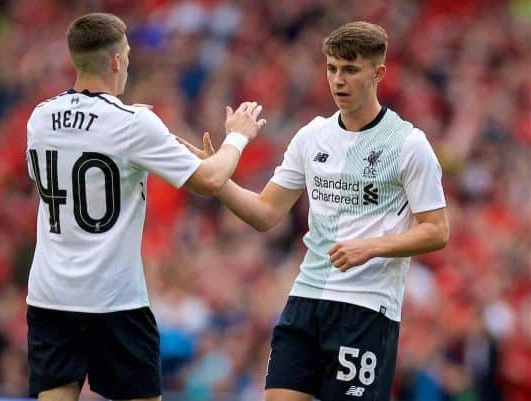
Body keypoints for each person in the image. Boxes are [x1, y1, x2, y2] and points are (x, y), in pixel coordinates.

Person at [182, 21, 449, 401]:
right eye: (332, 68)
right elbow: (264, 213)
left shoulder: (409, 144)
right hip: (305, 302)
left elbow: (437, 230)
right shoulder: (312, 136)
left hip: (365, 309)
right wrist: (216, 180)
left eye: (351, 70)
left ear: (379, 73)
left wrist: (370, 246)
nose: (338, 80)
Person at [25, 12, 265, 401]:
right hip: (114, 298)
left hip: (51, 294)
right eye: (129, 55)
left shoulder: (39, 118)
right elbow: (209, 181)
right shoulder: (133, 122)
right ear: (117, 61)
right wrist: (237, 137)